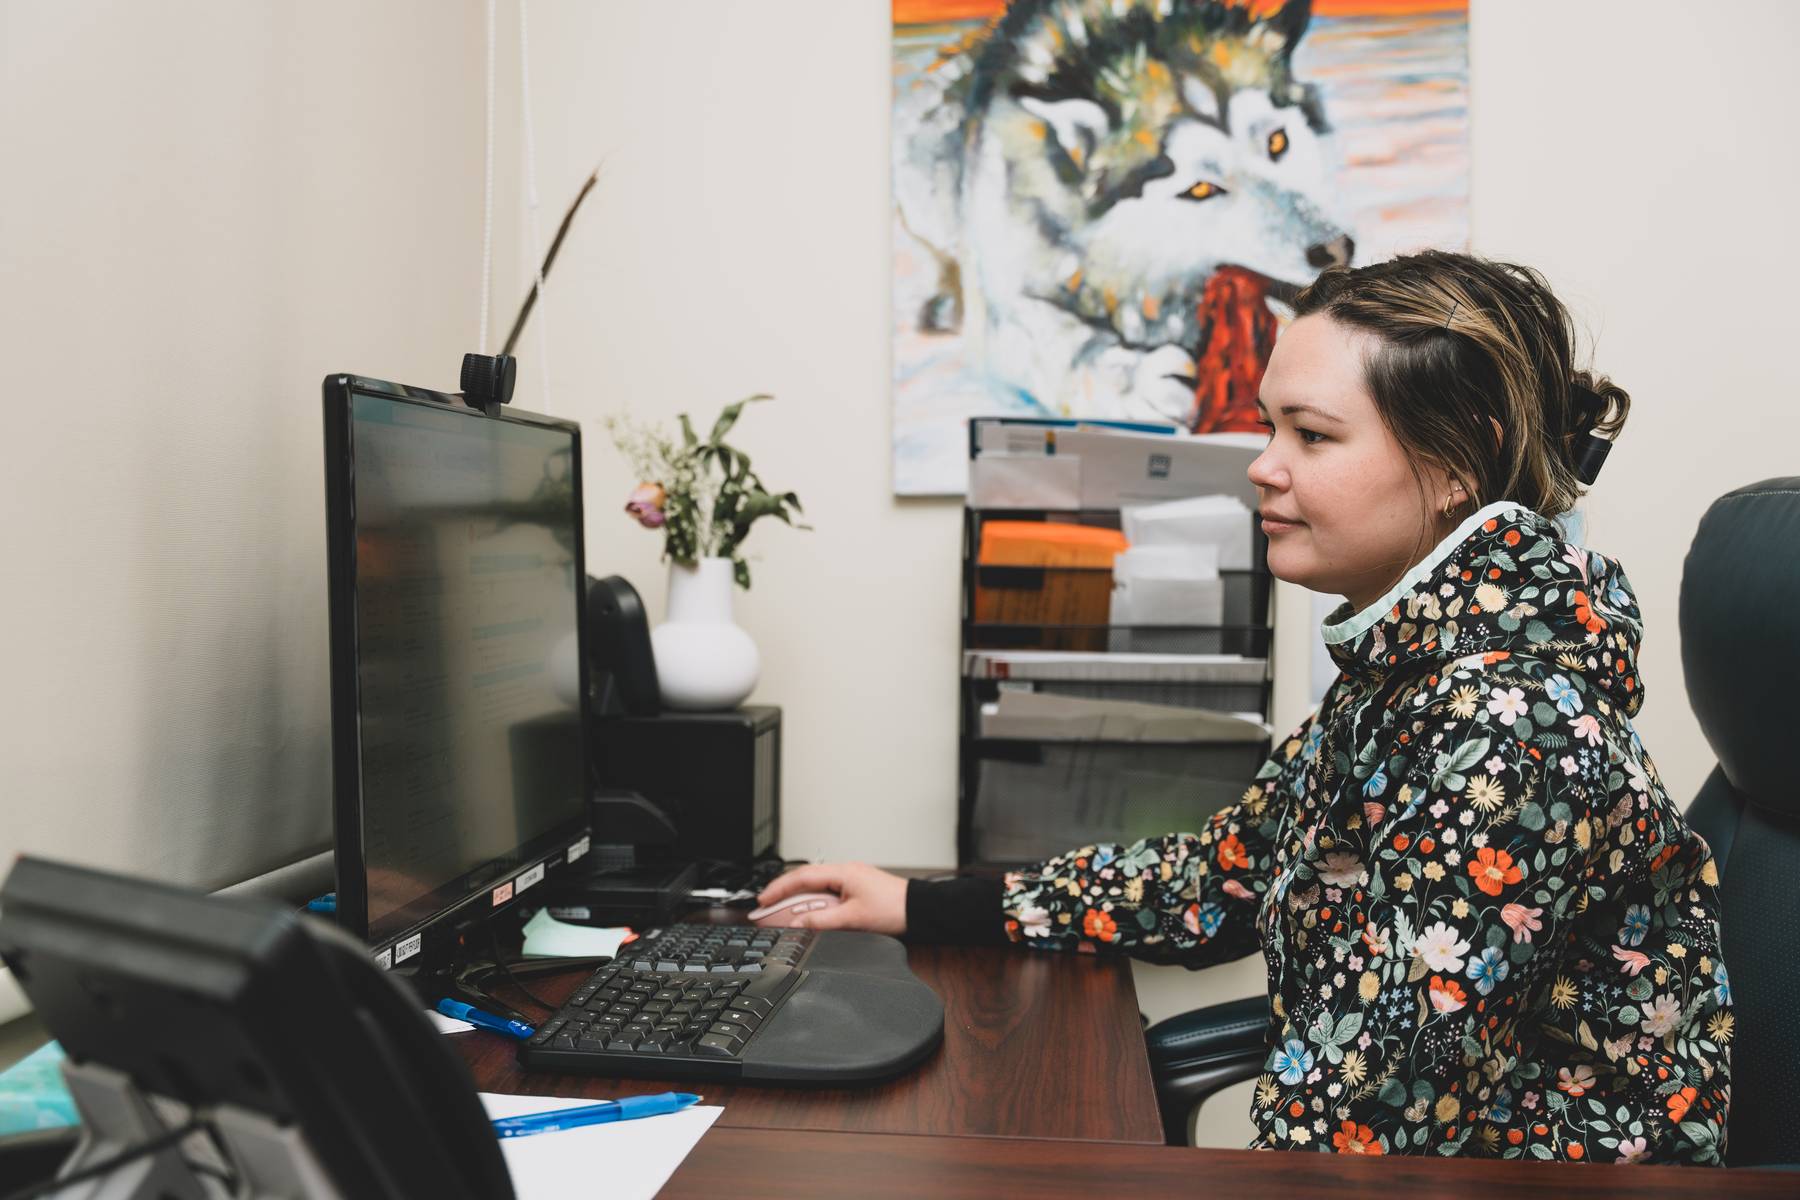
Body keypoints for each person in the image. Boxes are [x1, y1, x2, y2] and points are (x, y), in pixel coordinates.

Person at [759, 250, 1731, 1163]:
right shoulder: (1409, 670)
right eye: (1270, 428)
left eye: (1312, 435)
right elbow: (1217, 878)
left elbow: (1371, 1117)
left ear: (1456, 465)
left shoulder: (1508, 723)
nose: (1263, 465)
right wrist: (922, 903)